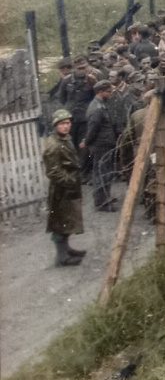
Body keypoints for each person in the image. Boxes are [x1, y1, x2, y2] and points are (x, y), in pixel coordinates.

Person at [42, 109, 86, 266]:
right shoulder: (53, 145)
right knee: (60, 221)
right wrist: (69, 181)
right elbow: (53, 171)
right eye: (62, 124)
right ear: (55, 126)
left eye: (68, 123)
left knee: (68, 220)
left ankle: (66, 249)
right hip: (61, 190)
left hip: (69, 186)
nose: (66, 126)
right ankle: (62, 257)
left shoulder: (65, 139)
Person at [81, 80, 121, 211]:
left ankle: (105, 197)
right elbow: (93, 129)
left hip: (104, 145)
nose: (110, 94)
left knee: (104, 172)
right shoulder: (97, 109)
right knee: (102, 173)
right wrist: (86, 142)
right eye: (108, 92)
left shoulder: (100, 105)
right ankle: (101, 202)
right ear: (100, 92)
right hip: (101, 146)